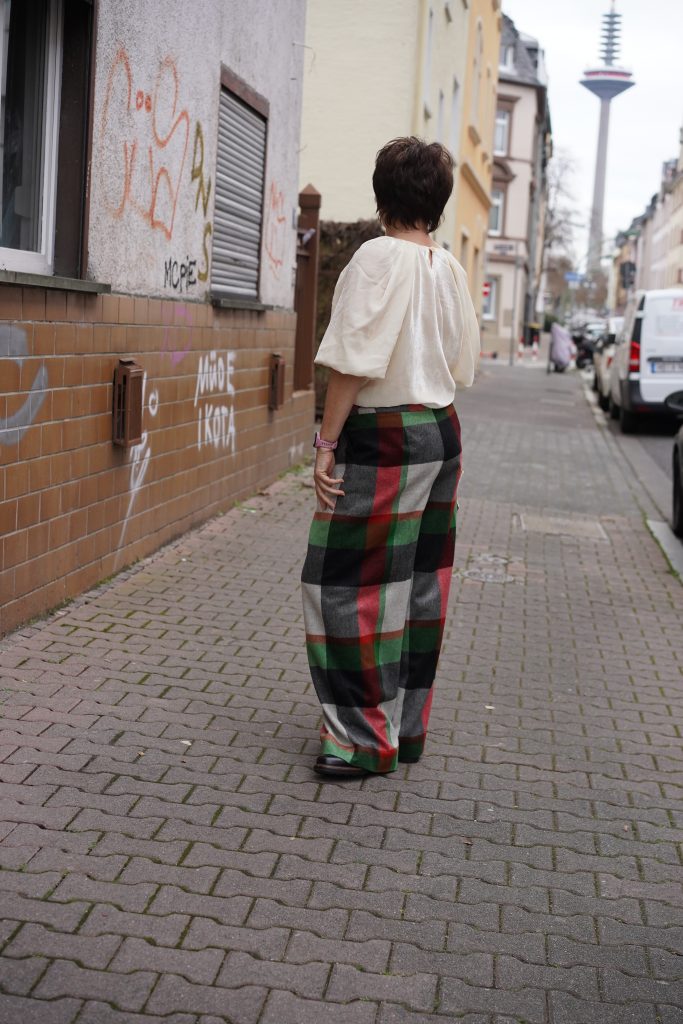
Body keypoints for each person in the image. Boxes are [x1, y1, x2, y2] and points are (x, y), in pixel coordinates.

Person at [301, 137, 480, 779]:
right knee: (421, 585)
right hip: (441, 430)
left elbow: (352, 363)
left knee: (346, 586)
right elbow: (460, 361)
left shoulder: (377, 258)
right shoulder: (449, 266)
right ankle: (403, 728)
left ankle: (360, 739)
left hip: (386, 437)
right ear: (439, 201)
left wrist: (326, 444)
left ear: (382, 197)